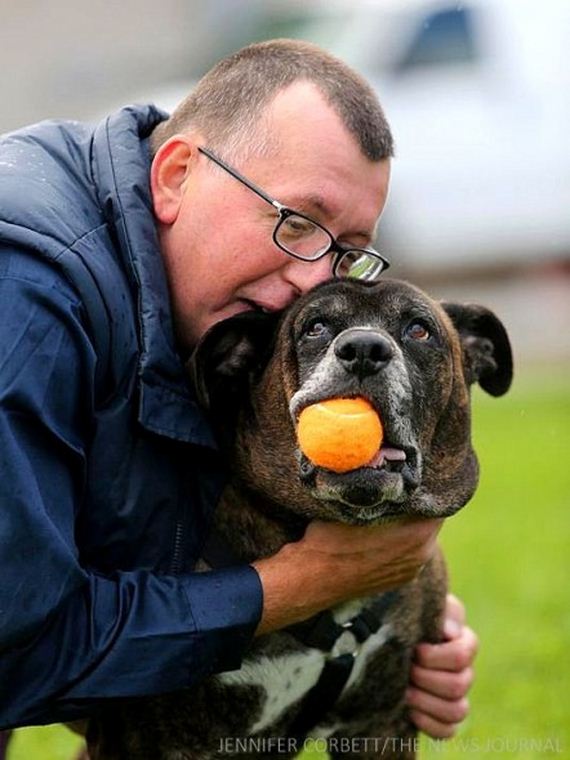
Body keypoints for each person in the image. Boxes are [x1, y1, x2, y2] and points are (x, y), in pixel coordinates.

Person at [0, 39, 477, 751]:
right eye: (295, 223)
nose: (314, 280)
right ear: (175, 175)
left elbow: (117, 543)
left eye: (347, 249)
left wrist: (377, 625)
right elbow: (18, 653)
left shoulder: (189, 302)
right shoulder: (25, 301)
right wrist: (301, 585)